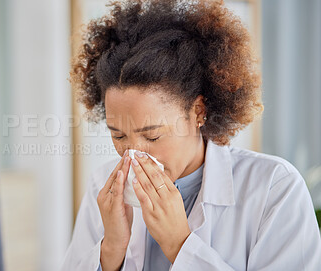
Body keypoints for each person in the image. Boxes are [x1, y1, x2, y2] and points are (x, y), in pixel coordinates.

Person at [60, 0, 321, 270]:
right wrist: (111, 248)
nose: (133, 155)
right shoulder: (102, 187)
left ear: (198, 111)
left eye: (152, 136)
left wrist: (179, 245)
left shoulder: (274, 189)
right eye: (119, 135)